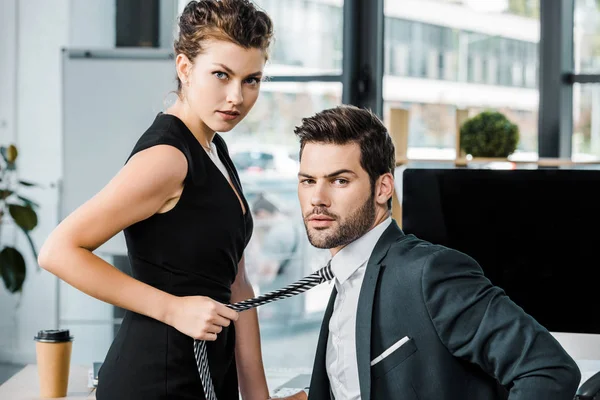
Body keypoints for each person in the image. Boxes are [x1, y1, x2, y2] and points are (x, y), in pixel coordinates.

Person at [38, 1, 277, 398]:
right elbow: (58, 251)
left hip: (205, 375)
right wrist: (174, 309)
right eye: (221, 74)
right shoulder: (167, 158)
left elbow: (237, 282)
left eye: (251, 80)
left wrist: (257, 395)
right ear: (185, 68)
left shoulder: (215, 149)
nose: (236, 96)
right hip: (155, 380)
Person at [289, 105, 581, 400]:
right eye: (308, 181)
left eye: (340, 181)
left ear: (383, 187)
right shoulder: (346, 275)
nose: (317, 199)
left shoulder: (430, 272)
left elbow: (549, 369)